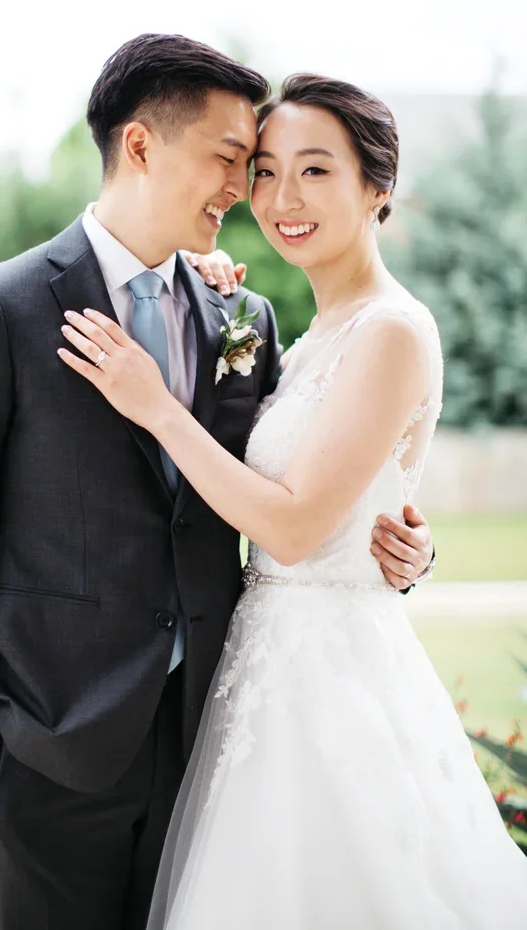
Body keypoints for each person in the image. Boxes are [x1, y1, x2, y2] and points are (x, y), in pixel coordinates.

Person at [0, 37, 434, 930]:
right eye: (235, 160)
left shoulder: (246, 317)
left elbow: (304, 485)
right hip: (47, 746)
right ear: (141, 147)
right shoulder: (0, 306)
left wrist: (405, 545)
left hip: (216, 741)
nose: (246, 191)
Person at [60, 72, 527, 929]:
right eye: (266, 172)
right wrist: (205, 295)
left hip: (331, 682)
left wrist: (153, 400)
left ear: (377, 188)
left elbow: (297, 526)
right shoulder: (307, 334)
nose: (281, 198)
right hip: (262, 667)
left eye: (316, 171)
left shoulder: (389, 330)